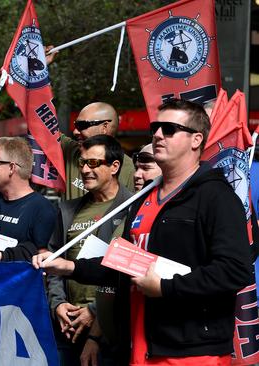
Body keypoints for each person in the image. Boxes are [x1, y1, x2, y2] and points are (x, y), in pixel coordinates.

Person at [34, 99, 253, 364]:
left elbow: (235, 270)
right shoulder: (143, 199)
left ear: (196, 140)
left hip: (191, 351)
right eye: (156, 128)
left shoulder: (215, 196)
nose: (158, 135)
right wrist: (69, 267)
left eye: (169, 129)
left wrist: (166, 288)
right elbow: (123, 265)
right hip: (140, 346)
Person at [47, 135, 132, 366]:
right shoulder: (67, 210)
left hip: (109, 329)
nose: (84, 169)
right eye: (82, 163)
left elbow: (125, 270)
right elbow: (55, 261)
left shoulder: (133, 209)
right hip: (67, 325)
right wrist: (58, 304)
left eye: (93, 163)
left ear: (115, 166)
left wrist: (95, 312)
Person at [62, 102, 135, 200]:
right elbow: (41, 127)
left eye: (82, 125)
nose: (75, 131)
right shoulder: (72, 151)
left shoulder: (130, 171)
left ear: (104, 127)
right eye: (82, 162)